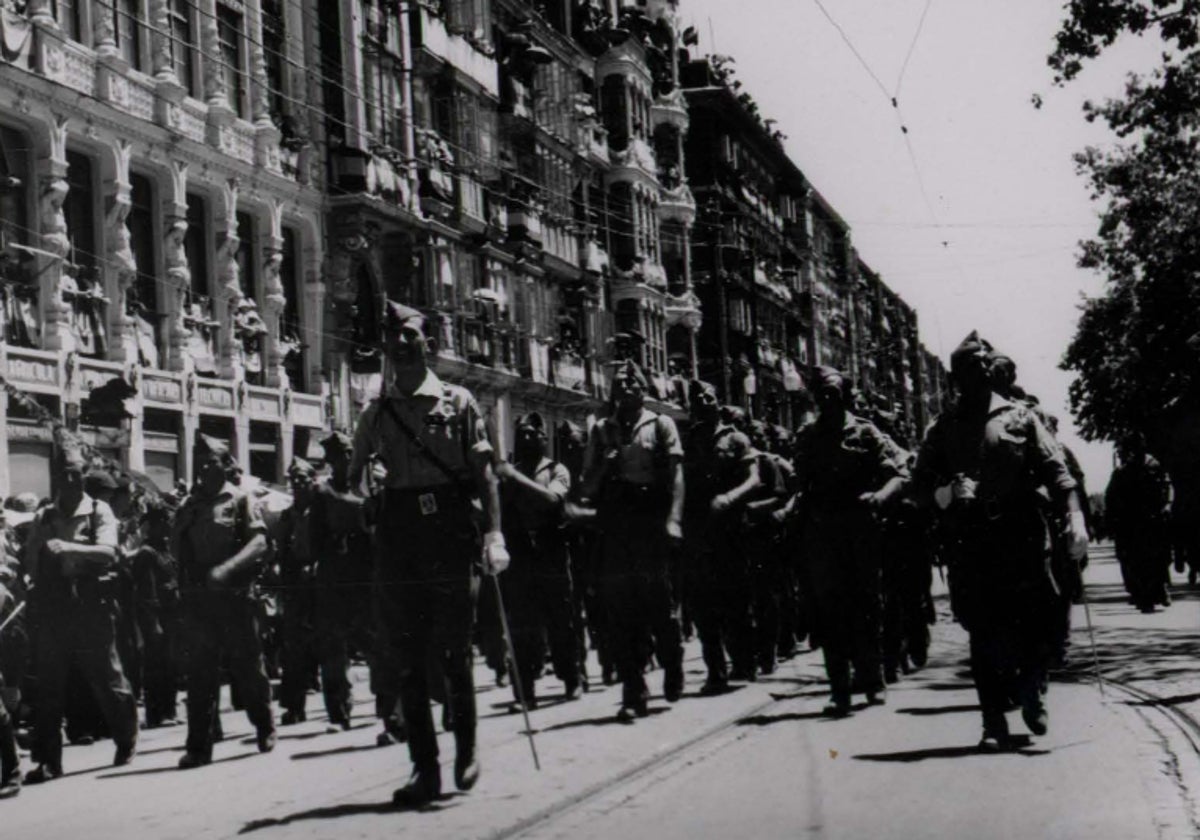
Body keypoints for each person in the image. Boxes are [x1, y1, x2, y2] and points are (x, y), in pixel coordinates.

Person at [349, 301, 507, 807]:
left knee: (454, 652)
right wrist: (366, 488)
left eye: (411, 338)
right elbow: (352, 480)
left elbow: (484, 476)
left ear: (427, 346)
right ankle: (425, 768)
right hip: (399, 533)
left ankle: (466, 749)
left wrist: (494, 536)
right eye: (394, 340)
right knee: (407, 658)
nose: (401, 346)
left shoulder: (458, 403)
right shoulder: (376, 412)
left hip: (448, 532)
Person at [913, 331, 1088, 751]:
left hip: (1021, 536)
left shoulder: (1021, 419)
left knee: (1034, 623)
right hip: (971, 541)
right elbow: (918, 485)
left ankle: (1032, 691)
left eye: (981, 368)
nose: (976, 376)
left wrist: (1076, 518)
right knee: (983, 633)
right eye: (966, 371)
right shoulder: (943, 428)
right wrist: (944, 494)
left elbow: (1058, 473)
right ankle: (993, 722)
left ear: (990, 371)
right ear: (955, 379)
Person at [792, 366, 907, 717]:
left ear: (845, 395)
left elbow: (899, 473)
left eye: (834, 392)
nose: (828, 399)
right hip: (823, 532)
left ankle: (872, 680)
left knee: (867, 607)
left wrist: (879, 496)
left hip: (861, 530)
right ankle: (839, 689)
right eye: (822, 393)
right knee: (829, 611)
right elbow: (802, 485)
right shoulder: (808, 436)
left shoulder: (866, 432)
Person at [22, 443, 138, 783]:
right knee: (49, 686)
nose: (70, 480)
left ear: (83, 477)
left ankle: (126, 737)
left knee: (108, 679)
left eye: (76, 474)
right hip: (55, 607)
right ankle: (48, 760)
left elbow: (109, 552)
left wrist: (69, 547)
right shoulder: (44, 516)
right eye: (64, 475)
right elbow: (31, 559)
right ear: (56, 478)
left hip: (90, 606)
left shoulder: (99, 511)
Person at [580, 360, 685, 722]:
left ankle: (672, 662)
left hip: (650, 521)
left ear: (643, 389)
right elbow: (588, 486)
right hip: (616, 524)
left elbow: (675, 477)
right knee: (620, 611)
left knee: (660, 606)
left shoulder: (661, 424)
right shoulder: (600, 430)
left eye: (631, 381)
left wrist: (673, 519)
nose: (624, 386)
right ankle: (633, 689)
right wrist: (603, 467)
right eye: (618, 382)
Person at [171, 435, 276, 768]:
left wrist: (228, 569)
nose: (203, 466)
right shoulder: (189, 506)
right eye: (199, 460)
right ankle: (199, 747)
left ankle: (264, 724)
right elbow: (178, 551)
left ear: (225, 464)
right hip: (200, 599)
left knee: (248, 668)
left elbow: (259, 543)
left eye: (211, 460)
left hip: (234, 595)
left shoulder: (241, 500)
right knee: (200, 674)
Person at [496, 412, 581, 709]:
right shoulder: (511, 473)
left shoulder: (557, 470)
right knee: (523, 625)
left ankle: (571, 678)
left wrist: (514, 478)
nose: (526, 439)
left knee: (561, 620)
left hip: (550, 551)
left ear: (545, 439)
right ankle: (526, 691)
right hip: (521, 553)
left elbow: (552, 500)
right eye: (521, 435)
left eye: (532, 434)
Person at [311, 432, 375, 731]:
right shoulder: (322, 494)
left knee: (376, 644)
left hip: (365, 576)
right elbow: (314, 538)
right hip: (333, 577)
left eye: (347, 454)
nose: (344, 461)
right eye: (337, 457)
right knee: (333, 649)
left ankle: (389, 707)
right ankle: (338, 712)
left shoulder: (369, 488)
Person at [1106, 440, 1173, 613]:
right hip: (1132, 522)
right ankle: (1144, 596)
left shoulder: (1155, 465)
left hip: (1154, 519)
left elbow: (1167, 487)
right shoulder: (1122, 472)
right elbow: (1111, 497)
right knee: (1135, 560)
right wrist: (1114, 520)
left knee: (1159, 557)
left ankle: (1160, 588)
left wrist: (1167, 505)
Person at [277, 458, 318, 725]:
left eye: (303, 479)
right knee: (292, 648)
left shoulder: (322, 512)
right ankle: (294, 706)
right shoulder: (286, 517)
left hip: (322, 583)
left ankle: (339, 709)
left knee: (327, 644)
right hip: (295, 585)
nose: (299, 484)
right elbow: (282, 551)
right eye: (295, 480)